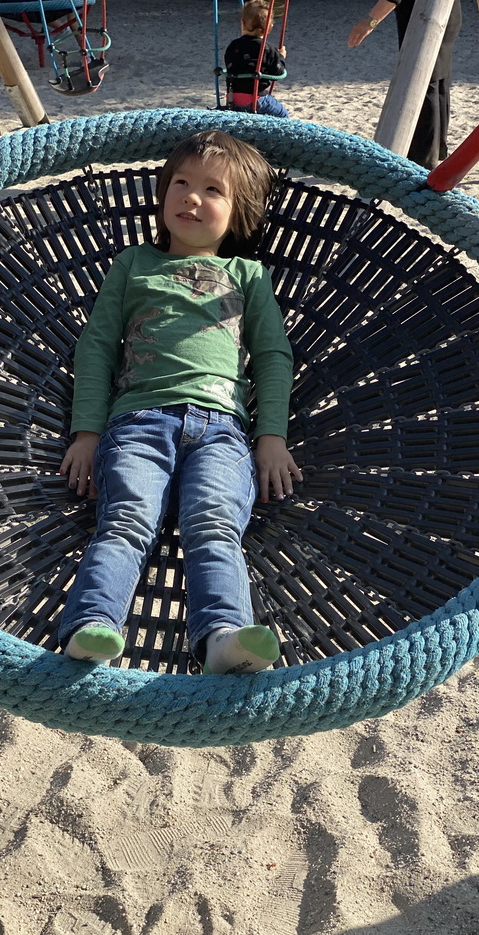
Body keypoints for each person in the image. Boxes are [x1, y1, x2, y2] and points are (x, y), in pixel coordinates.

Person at [58, 130, 302, 674]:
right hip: (139, 420)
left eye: (213, 190)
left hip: (223, 432)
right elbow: (97, 347)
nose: (192, 197)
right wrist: (87, 433)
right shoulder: (134, 265)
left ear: (238, 214)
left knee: (213, 524)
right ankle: (92, 624)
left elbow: (272, 358)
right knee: (125, 520)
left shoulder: (248, 275)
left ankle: (221, 636)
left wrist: (271, 439)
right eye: (182, 184)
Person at [348, 0, 462, 169]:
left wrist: (370, 21)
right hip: (447, 13)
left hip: (426, 19)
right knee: (438, 80)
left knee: (424, 85)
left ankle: (423, 158)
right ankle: (436, 150)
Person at [224, 0, 290, 118]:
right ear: (269, 29)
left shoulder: (233, 46)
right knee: (283, 115)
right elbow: (278, 72)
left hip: (233, 98)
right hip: (257, 100)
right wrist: (281, 57)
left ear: (242, 24)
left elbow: (229, 66)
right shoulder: (268, 49)